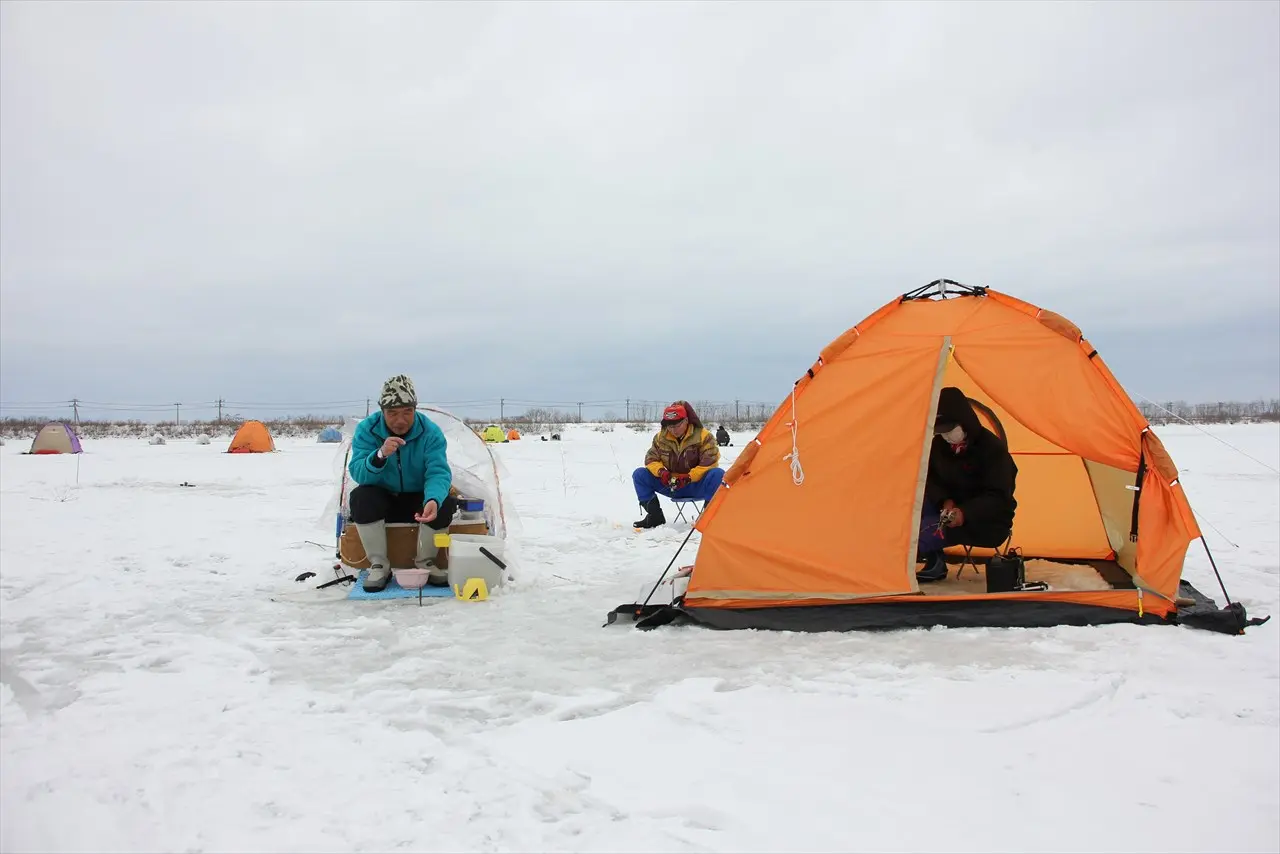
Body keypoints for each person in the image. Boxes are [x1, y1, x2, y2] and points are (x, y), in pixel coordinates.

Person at [347, 375, 458, 592]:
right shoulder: (367, 431)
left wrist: (433, 499)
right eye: (393, 413)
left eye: (407, 412)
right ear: (382, 411)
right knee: (361, 496)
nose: (401, 420)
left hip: (418, 502)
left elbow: (438, 472)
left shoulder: (430, 432)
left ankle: (426, 562)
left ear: (415, 409)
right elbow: (358, 473)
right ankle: (379, 564)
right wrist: (379, 455)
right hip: (383, 501)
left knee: (444, 500)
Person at [916, 387, 1018, 582]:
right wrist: (945, 500)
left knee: (917, 536)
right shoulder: (939, 447)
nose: (945, 436)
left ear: (965, 422)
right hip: (947, 514)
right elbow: (930, 479)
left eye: (949, 429)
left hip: (985, 522)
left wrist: (965, 512)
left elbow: (998, 496)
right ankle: (934, 561)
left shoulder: (992, 449)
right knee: (910, 514)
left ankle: (895, 569)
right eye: (940, 431)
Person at [632, 401, 725, 529]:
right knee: (639, 474)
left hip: (695, 485)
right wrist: (661, 472)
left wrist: (689, 477)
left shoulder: (704, 437)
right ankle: (655, 517)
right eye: (669, 426)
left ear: (686, 421)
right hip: (670, 485)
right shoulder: (660, 438)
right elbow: (651, 459)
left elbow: (709, 463)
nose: (673, 430)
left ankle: (708, 518)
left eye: (677, 425)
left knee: (717, 474)